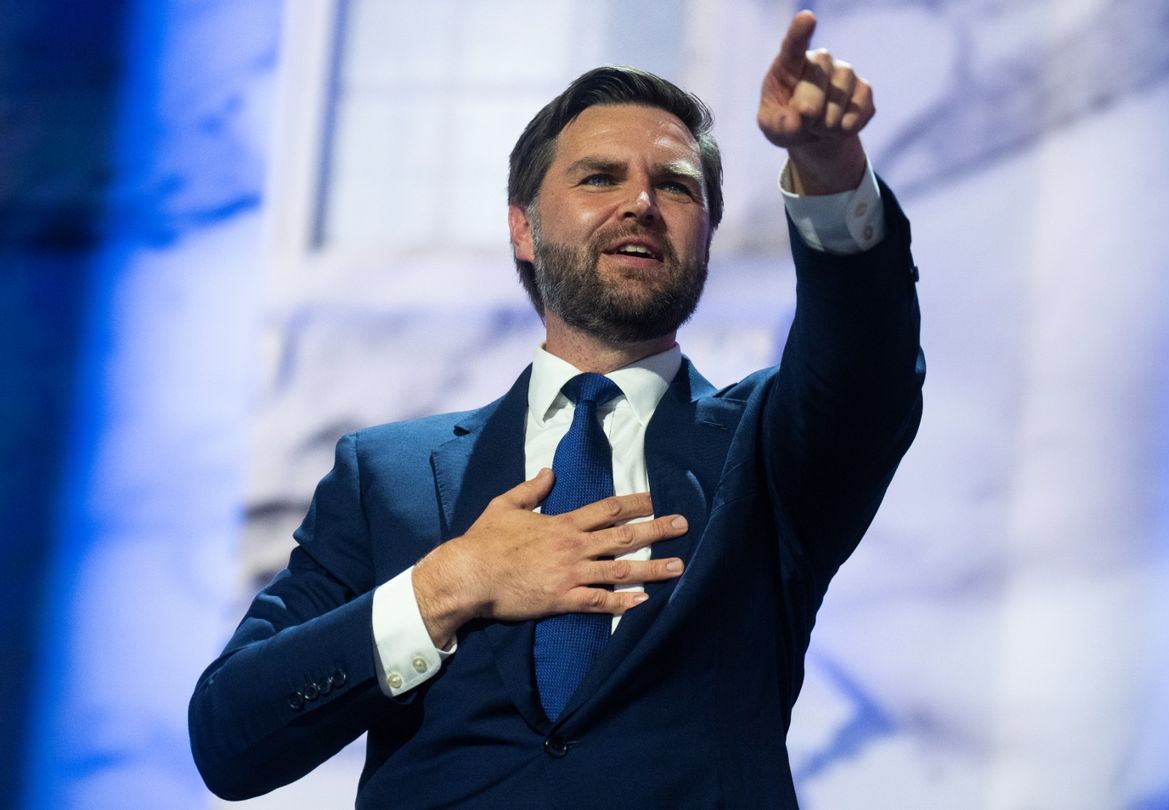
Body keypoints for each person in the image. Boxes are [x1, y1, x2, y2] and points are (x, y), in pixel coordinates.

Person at [190, 10, 924, 808]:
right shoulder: (388, 476)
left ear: (708, 233)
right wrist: (448, 585)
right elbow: (232, 737)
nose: (641, 201)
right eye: (599, 177)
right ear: (524, 229)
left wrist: (829, 165)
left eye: (676, 185)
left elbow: (866, 364)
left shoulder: (769, 452)